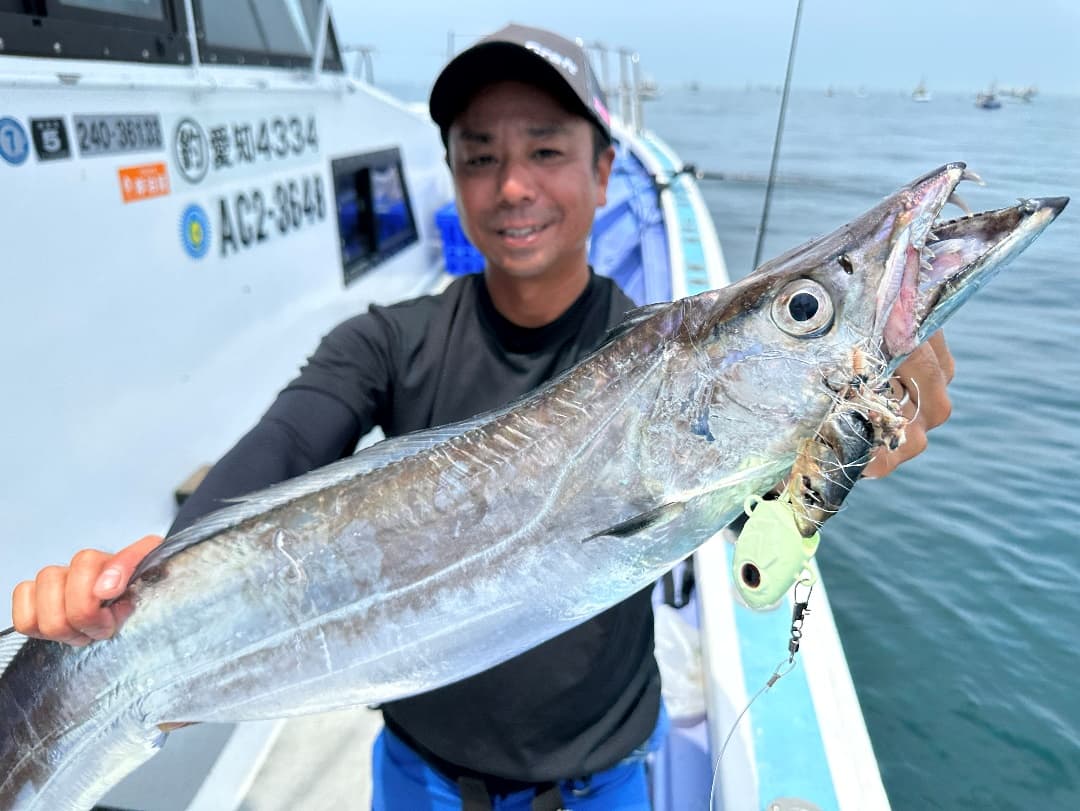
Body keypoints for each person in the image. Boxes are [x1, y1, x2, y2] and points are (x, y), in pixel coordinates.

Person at [9, 23, 956, 811]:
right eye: (480, 157)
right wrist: (138, 581)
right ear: (455, 177)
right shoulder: (385, 341)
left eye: (546, 149)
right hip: (418, 781)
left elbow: (768, 533)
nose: (513, 187)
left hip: (606, 782)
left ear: (604, 166)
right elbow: (278, 452)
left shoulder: (659, 355)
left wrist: (858, 452)